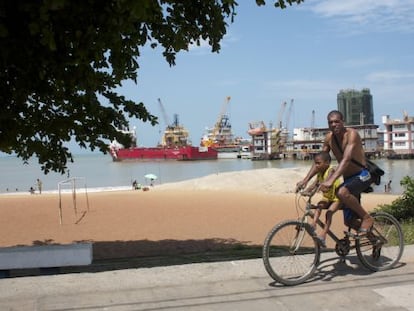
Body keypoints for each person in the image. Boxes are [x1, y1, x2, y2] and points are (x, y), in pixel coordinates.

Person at [297, 110, 374, 235]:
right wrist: (306, 180)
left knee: (342, 192)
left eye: (336, 121)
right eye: (330, 122)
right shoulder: (329, 138)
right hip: (348, 179)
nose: (334, 124)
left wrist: (331, 180)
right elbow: (320, 161)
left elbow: (346, 159)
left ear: (342, 122)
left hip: (362, 174)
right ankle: (373, 239)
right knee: (349, 221)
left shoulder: (352, 134)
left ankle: (367, 218)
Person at [303, 151, 342, 247]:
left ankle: (323, 235)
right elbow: (314, 184)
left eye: (318, 163)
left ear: (327, 162)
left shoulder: (331, 170)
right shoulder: (320, 173)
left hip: (337, 198)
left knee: (329, 213)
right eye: (315, 163)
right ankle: (313, 224)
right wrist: (306, 190)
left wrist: (322, 185)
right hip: (327, 197)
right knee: (319, 206)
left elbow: (327, 181)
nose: (316, 166)